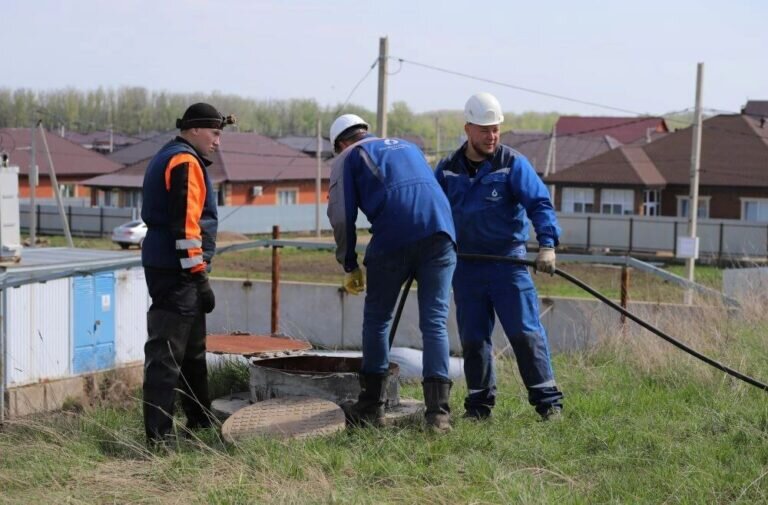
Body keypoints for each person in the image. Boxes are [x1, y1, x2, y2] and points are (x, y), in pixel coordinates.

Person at [435, 92, 564, 421]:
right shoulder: (447, 170)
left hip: (509, 264)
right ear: (467, 129)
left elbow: (539, 203)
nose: (492, 136)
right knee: (474, 340)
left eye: (496, 129)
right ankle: (479, 407)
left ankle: (548, 404)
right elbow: (431, 211)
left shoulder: (512, 165)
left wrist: (547, 245)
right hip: (466, 268)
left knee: (524, 333)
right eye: (484, 130)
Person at [327, 114, 457, 432]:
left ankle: (371, 407)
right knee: (435, 323)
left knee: (378, 321)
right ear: (364, 131)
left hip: (394, 239)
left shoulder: (348, 156)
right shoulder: (408, 146)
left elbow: (341, 216)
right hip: (442, 233)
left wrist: (348, 263)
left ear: (341, 143)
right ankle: (438, 415)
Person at [140, 102, 235, 443]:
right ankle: (159, 437)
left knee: (192, 352)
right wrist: (199, 276)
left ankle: (200, 421)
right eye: (215, 133)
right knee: (166, 356)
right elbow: (185, 227)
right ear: (194, 129)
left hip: (172, 267)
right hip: (177, 271)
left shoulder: (172, 155)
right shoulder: (183, 161)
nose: (218, 141)